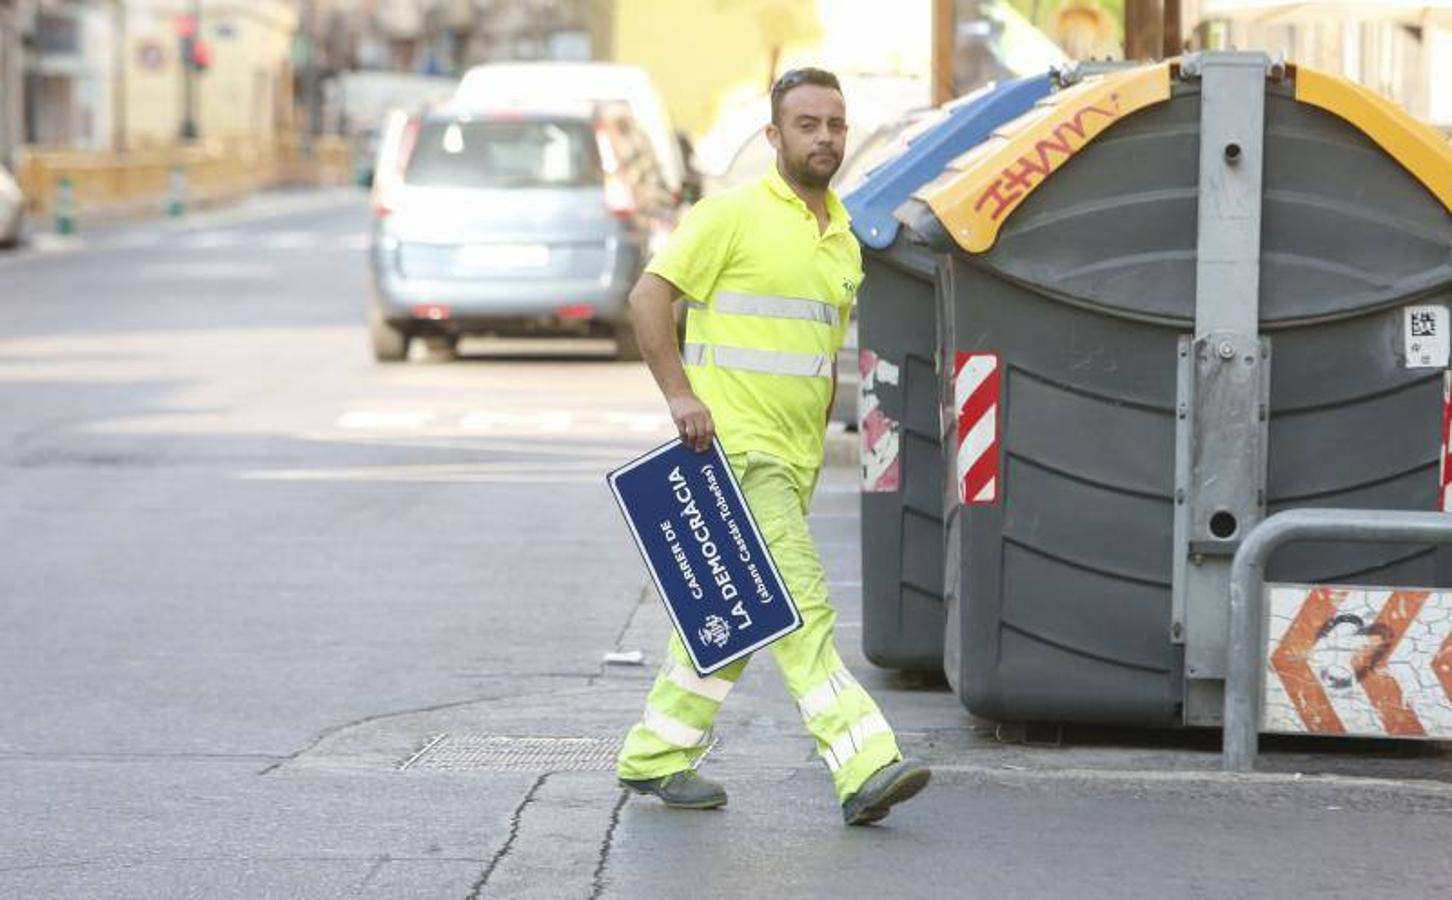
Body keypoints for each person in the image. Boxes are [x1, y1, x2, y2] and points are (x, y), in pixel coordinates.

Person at [614, 67, 931, 826]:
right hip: (735, 452)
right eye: (807, 124)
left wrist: (822, 436)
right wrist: (681, 395)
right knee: (800, 609)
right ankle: (862, 764)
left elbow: (819, 357)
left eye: (834, 124)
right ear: (774, 136)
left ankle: (657, 753)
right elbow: (648, 296)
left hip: (795, 460)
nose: (824, 137)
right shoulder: (731, 215)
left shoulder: (843, 239)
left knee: (736, 614)